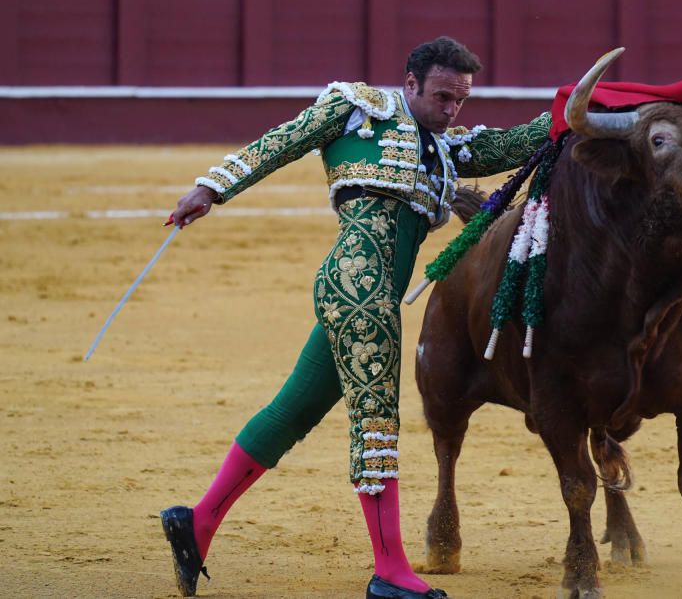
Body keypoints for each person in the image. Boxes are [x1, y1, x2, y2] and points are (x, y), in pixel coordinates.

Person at [159, 36, 552, 598]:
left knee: (293, 410)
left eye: (460, 100)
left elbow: (511, 145)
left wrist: (570, 108)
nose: (451, 109)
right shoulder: (358, 109)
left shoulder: (445, 148)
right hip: (357, 284)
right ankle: (390, 570)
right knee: (377, 419)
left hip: (375, 296)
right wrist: (212, 187)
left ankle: (195, 525)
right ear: (410, 83)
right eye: (442, 96)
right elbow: (283, 141)